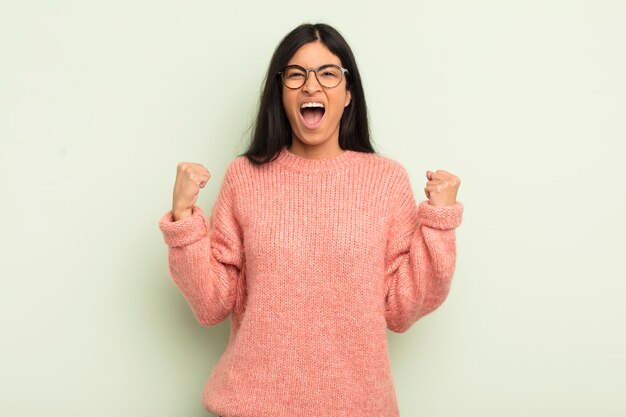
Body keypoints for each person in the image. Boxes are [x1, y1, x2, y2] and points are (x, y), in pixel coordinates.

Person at [158, 22, 463, 417]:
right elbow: (212, 304)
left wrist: (439, 222)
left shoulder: (385, 180)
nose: (311, 86)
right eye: (296, 75)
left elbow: (401, 310)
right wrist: (183, 220)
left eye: (328, 74)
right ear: (280, 91)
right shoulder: (244, 177)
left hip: (357, 407)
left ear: (348, 93)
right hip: (249, 405)